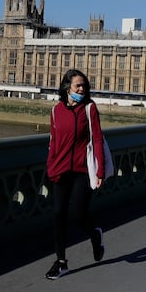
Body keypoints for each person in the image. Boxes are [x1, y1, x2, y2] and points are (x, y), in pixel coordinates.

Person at [44, 69, 106, 280]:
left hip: (81, 169)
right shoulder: (55, 111)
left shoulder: (89, 108)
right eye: (78, 85)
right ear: (66, 87)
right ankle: (61, 262)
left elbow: (97, 139)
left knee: (78, 214)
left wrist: (100, 171)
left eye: (84, 85)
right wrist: (50, 166)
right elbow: (53, 142)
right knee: (58, 214)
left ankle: (94, 235)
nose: (82, 89)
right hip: (60, 169)